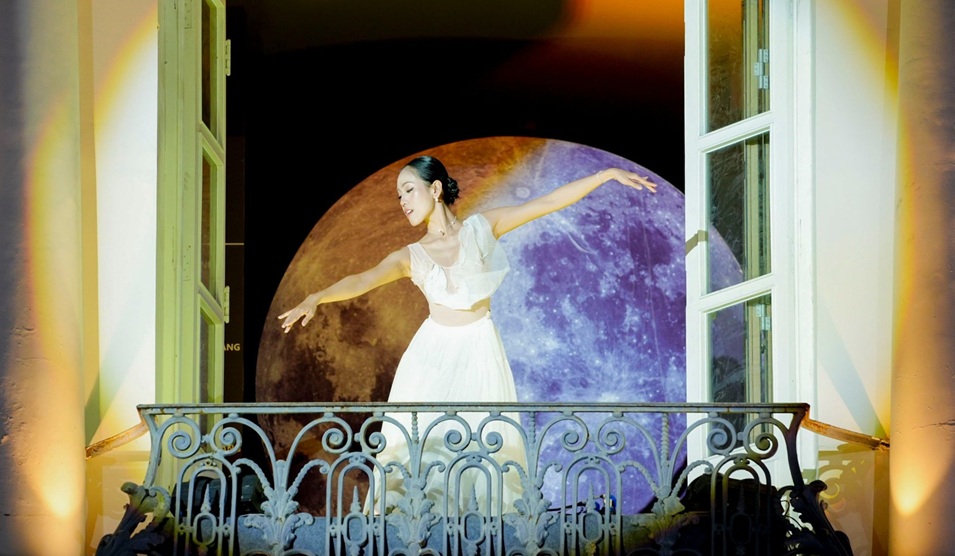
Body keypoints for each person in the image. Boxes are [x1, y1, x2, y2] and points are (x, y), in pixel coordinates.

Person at [278, 155, 656, 515]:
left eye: (408, 190)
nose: (402, 202)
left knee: (491, 452)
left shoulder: (481, 228)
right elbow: (364, 279)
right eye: (398, 196)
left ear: (435, 189)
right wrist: (317, 297)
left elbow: (546, 203)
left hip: (479, 351)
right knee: (413, 454)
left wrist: (604, 176)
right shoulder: (410, 256)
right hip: (430, 359)